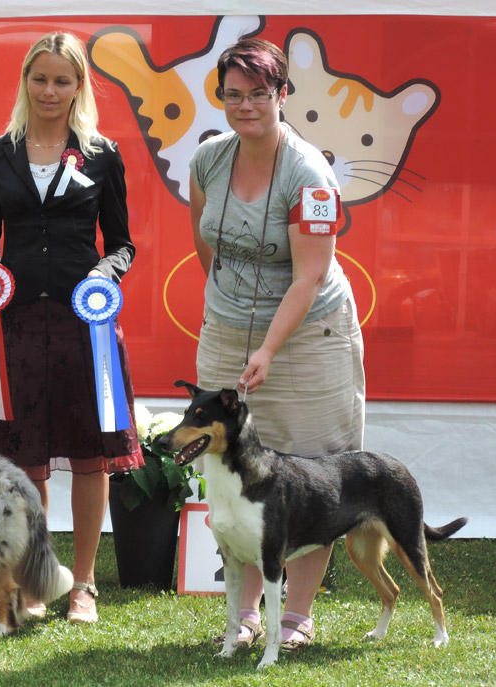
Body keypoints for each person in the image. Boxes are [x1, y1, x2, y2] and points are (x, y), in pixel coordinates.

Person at [188, 38, 365, 651]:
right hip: (227, 329)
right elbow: (204, 239)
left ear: (282, 94)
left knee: (315, 468)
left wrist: (265, 347)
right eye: (233, 94)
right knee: (228, 467)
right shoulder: (208, 158)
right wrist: (229, 309)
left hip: (310, 332)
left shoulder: (310, 174)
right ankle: (244, 614)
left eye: (259, 93)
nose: (245, 106)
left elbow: (310, 275)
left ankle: (297, 616)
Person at [0, 32, 143, 624]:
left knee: (91, 456)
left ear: (79, 86)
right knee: (26, 461)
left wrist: (101, 275)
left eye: (62, 80)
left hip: (84, 325)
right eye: (40, 78)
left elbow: (122, 244)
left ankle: (85, 583)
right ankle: (37, 576)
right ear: (26, 81)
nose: (49, 90)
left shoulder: (104, 154)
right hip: (18, 325)